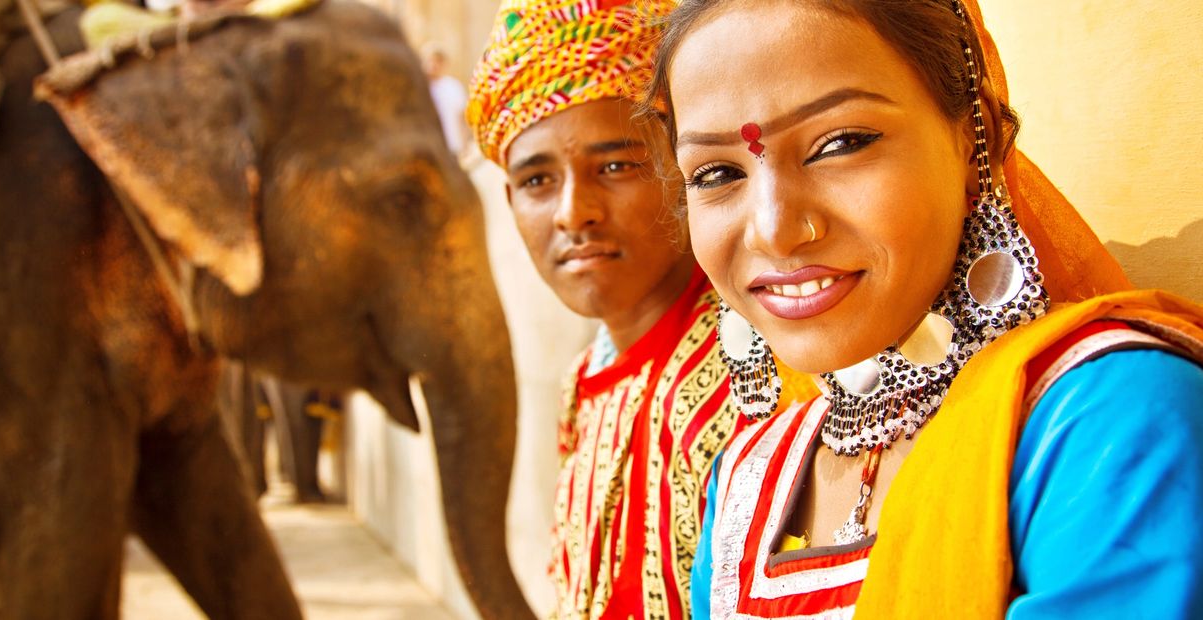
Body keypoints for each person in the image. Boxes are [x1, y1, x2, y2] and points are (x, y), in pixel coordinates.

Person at [641, 0, 1203, 618]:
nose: (774, 230)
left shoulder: (1106, 418)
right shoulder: (745, 480)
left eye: (841, 143)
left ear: (973, 140)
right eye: (717, 172)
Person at [465, 1, 816, 617]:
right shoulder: (586, 383)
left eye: (617, 165)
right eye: (538, 182)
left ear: (684, 167)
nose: (574, 212)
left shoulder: (764, 371)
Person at [422, 42, 468, 156]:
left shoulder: (453, 86)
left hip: (453, 148)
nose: (433, 65)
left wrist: (465, 144)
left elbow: (462, 118)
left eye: (437, 61)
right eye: (430, 60)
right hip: (428, 149)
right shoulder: (420, 88)